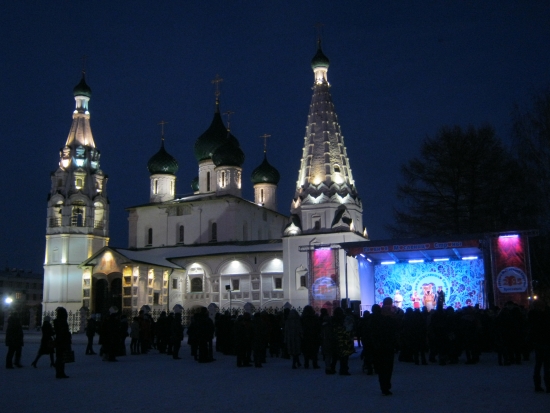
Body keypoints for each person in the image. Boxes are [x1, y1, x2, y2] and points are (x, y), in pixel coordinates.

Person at [371, 297, 399, 395]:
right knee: (387, 367)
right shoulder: (392, 318)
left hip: (379, 346)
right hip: (388, 346)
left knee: (382, 367)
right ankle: (386, 385)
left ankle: (383, 385)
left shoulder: (376, 320)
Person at [528, 299, 550, 393]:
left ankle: (539, 385)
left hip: (539, 342)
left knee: (539, 365)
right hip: (544, 342)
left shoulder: (532, 315)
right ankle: (547, 385)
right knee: (546, 365)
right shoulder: (545, 315)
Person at [53, 307, 72, 379]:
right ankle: (60, 372)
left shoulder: (57, 321)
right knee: (61, 357)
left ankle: (60, 372)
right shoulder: (62, 322)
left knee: (59, 357)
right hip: (63, 341)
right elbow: (63, 332)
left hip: (60, 341)